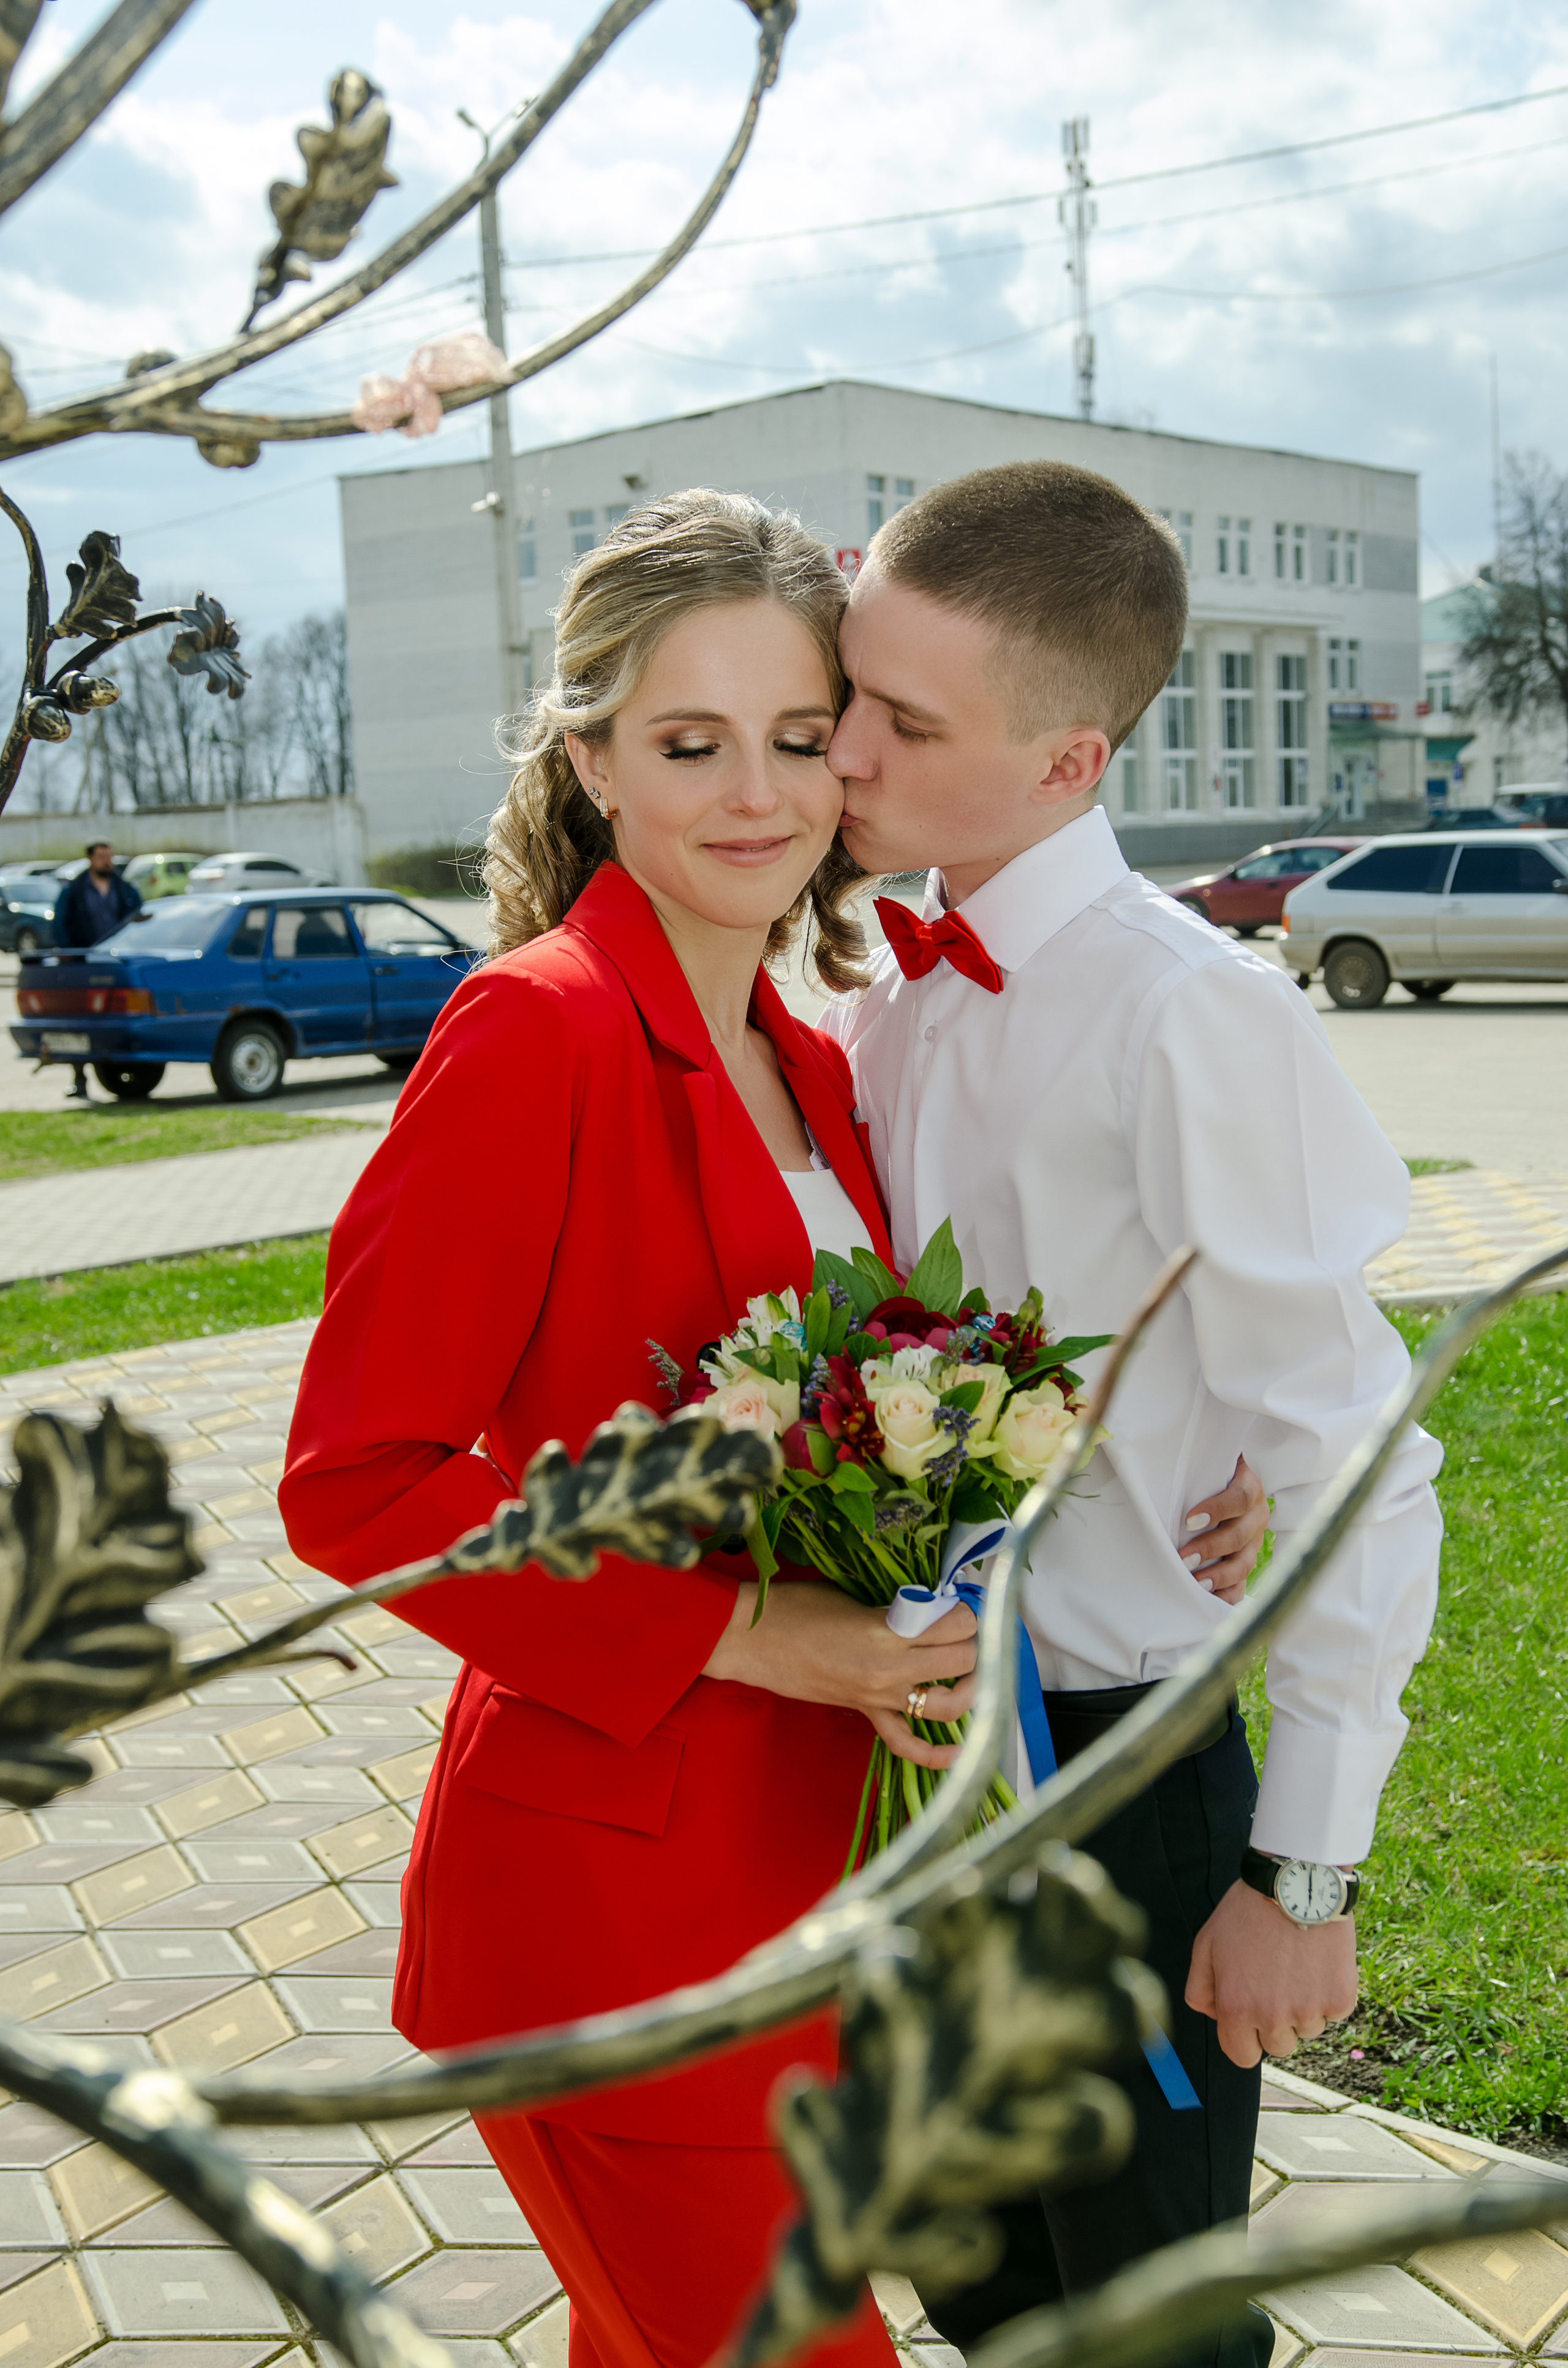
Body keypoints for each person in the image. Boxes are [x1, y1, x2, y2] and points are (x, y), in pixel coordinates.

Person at [279, 489, 1264, 2368]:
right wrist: (752, 1631)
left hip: (824, 1899)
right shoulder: (536, 1032)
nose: (756, 794)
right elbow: (358, 1487)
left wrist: (1190, 1480)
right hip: (620, 1928)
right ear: (592, 760)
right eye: (689, 743)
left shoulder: (816, 1058)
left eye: (799, 736)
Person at [819, 461, 1444, 2363]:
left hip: (1121, 1775)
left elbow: (1352, 1446)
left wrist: (1301, 1874)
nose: (843, 749)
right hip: (915, 1764)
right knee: (983, 2284)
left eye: (904, 721)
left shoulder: (1190, 1010)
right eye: (848, 690)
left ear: (1068, 761)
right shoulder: (891, 987)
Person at [54, 841, 141, 1100]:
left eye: (110, 856)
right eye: (102, 856)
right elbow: (60, 924)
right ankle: (80, 1079)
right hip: (84, 963)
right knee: (80, 1020)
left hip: (117, 963)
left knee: (117, 1018)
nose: (107, 861)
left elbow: (139, 916)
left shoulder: (124, 888)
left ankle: (126, 1075)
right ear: (90, 859)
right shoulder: (74, 890)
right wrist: (69, 953)